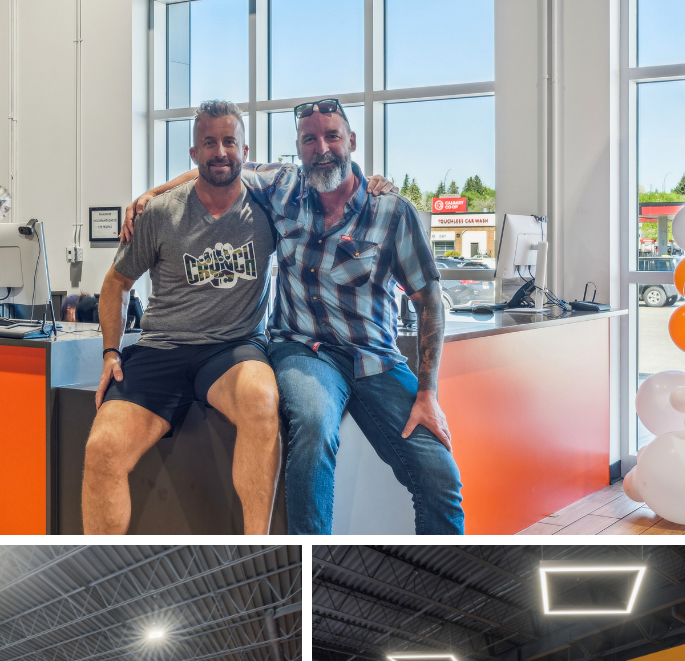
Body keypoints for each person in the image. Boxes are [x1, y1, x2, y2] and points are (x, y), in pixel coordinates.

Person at [124, 100, 464, 535]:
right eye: (309, 139)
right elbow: (219, 165)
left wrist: (428, 393)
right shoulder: (282, 188)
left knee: (441, 477)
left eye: (332, 136)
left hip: (375, 359)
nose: (321, 148)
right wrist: (153, 195)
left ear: (352, 142)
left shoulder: (392, 212)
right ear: (299, 149)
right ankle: (309, 563)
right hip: (303, 350)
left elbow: (429, 298)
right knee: (314, 424)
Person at [82, 100, 281, 535]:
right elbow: (115, 284)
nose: (220, 152)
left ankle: (255, 544)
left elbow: (328, 180)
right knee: (102, 449)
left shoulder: (269, 204)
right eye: (208, 143)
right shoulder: (160, 214)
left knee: (261, 400)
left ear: (246, 151)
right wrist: (110, 352)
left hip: (233, 347)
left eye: (230, 141)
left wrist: (376, 182)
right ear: (194, 154)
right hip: (161, 348)